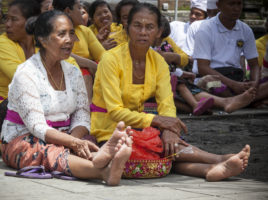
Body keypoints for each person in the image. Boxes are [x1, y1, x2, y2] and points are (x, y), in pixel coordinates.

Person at [91, 3, 251, 181]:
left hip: (141, 127)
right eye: (137, 25)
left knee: (168, 145)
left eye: (149, 27)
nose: (143, 32)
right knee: (151, 151)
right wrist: (160, 121)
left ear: (159, 32)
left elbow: (166, 103)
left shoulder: (158, 62)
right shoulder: (110, 59)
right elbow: (114, 111)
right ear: (127, 28)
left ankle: (211, 169)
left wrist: (169, 130)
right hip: (110, 130)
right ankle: (217, 160)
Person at [1, 10, 132, 186]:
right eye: (61, 34)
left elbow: (82, 115)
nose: (70, 40)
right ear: (42, 39)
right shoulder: (26, 73)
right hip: (24, 138)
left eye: (72, 33)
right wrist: (72, 142)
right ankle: (104, 171)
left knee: (83, 146)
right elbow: (36, 126)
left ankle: (102, 159)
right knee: (46, 152)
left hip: (67, 135)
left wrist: (74, 140)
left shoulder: (73, 71)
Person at [0, 0, 41, 136]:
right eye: (7, 19)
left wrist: (90, 64)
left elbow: (67, 60)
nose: (7, 24)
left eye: (14, 19)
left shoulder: (42, 42)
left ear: (31, 22)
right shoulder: (3, 42)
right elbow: (21, 78)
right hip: (2, 110)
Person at [193, 0, 260, 97]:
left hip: (236, 78)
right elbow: (203, 68)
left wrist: (254, 84)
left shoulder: (246, 30)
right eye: (231, 4)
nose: (236, 8)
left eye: (239, 4)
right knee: (213, 84)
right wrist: (233, 85)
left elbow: (254, 65)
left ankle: (240, 99)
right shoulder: (205, 29)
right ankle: (244, 99)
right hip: (212, 79)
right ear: (218, 5)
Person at [53, 0, 106, 103]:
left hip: (89, 74)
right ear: (68, 11)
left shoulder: (84, 30)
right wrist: (90, 64)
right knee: (84, 73)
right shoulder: (53, 30)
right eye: (79, 8)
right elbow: (62, 55)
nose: (82, 11)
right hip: (62, 74)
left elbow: (102, 55)